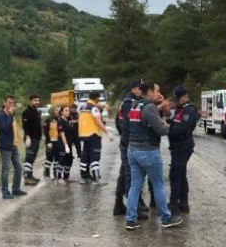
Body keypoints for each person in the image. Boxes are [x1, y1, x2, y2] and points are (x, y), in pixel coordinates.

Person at [125, 82, 184, 230]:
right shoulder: (149, 107)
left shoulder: (135, 105)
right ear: (150, 91)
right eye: (157, 91)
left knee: (135, 186)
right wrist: (166, 125)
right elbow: (161, 130)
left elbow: (143, 120)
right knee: (158, 185)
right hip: (148, 151)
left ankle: (130, 220)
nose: (159, 93)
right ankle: (166, 217)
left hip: (133, 150)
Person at [114, 81, 150, 216]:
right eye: (139, 88)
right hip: (129, 143)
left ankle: (119, 204)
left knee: (124, 173)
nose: (141, 90)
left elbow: (118, 122)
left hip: (127, 142)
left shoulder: (129, 101)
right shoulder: (129, 103)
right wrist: (129, 140)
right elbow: (128, 125)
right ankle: (134, 208)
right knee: (131, 175)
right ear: (133, 89)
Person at [167, 86, 199, 214]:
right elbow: (172, 121)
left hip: (183, 146)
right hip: (177, 146)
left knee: (175, 175)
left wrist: (167, 129)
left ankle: (174, 204)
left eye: (177, 98)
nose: (175, 101)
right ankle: (183, 203)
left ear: (185, 97)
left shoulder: (189, 110)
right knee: (181, 174)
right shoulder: (179, 109)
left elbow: (181, 128)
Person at [78, 91, 113, 184]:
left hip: (84, 135)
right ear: (97, 98)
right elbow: (98, 122)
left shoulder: (82, 107)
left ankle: (84, 177)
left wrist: (104, 106)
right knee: (95, 156)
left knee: (85, 156)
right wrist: (107, 132)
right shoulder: (94, 108)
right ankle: (96, 178)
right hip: (94, 134)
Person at [0, 95, 27, 200]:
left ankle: (16, 189)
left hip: (14, 145)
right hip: (5, 146)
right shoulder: (0, 115)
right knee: (5, 169)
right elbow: (5, 128)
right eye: (9, 102)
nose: (11, 105)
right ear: (4, 103)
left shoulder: (11, 115)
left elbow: (14, 129)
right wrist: (10, 115)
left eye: (13, 103)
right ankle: (5, 192)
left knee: (19, 167)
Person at [22, 95, 42, 185]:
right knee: (29, 158)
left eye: (38, 100)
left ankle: (30, 175)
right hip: (30, 138)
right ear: (30, 101)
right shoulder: (26, 112)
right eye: (35, 100)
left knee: (33, 158)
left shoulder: (36, 111)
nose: (37, 102)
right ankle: (26, 178)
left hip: (36, 138)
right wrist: (27, 137)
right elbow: (25, 126)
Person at [55, 106, 74, 184]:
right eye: (66, 110)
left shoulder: (68, 121)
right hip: (62, 144)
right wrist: (66, 145)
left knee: (70, 160)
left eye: (68, 110)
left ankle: (66, 176)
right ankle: (59, 178)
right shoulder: (60, 121)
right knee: (62, 160)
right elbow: (62, 134)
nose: (68, 112)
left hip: (69, 144)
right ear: (62, 112)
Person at [43, 107, 60, 179]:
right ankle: (46, 173)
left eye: (58, 110)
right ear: (52, 111)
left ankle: (55, 173)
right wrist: (48, 141)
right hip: (50, 142)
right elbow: (45, 131)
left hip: (57, 141)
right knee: (49, 158)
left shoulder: (58, 119)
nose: (58, 111)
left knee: (57, 158)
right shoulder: (48, 120)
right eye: (56, 110)